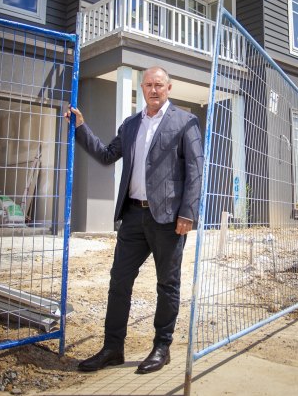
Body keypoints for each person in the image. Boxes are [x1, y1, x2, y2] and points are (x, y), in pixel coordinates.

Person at [64, 66, 203, 374]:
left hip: (168, 220)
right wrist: (81, 128)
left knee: (167, 284)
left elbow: (196, 170)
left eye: (159, 85)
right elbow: (105, 155)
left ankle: (162, 347)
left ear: (169, 88)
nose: (153, 90)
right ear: (142, 89)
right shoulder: (130, 125)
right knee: (119, 282)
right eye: (148, 85)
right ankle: (112, 348)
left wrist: (188, 213)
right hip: (132, 216)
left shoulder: (185, 121)